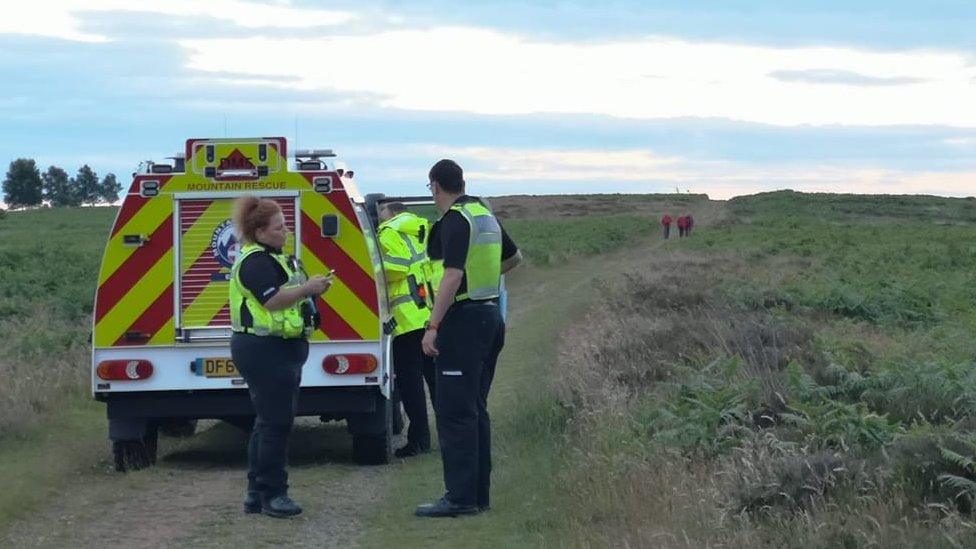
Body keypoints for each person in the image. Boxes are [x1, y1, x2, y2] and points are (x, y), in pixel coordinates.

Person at [415, 159, 523, 518]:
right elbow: (514, 259)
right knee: (475, 409)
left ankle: (459, 498)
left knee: (455, 412)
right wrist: (484, 282)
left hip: (462, 321)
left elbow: (451, 275)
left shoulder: (454, 220)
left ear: (435, 186)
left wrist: (432, 325)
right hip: (490, 316)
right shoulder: (485, 215)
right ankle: (478, 495)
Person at [229, 195, 332, 518]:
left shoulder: (274, 258)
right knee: (276, 423)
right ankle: (274, 494)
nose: (286, 231)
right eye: (279, 227)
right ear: (259, 231)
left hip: (277, 349)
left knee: (267, 422)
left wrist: (312, 290)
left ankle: (256, 491)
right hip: (265, 350)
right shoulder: (255, 262)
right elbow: (272, 302)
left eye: (285, 225)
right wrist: (308, 289)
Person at [377, 201, 437, 458]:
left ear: (391, 214)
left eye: (381, 214)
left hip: (406, 318)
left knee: (411, 383)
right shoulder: (423, 230)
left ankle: (420, 440)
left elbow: (396, 266)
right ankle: (450, 435)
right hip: (428, 313)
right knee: (435, 381)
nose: (379, 219)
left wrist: (372, 268)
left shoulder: (389, 231)